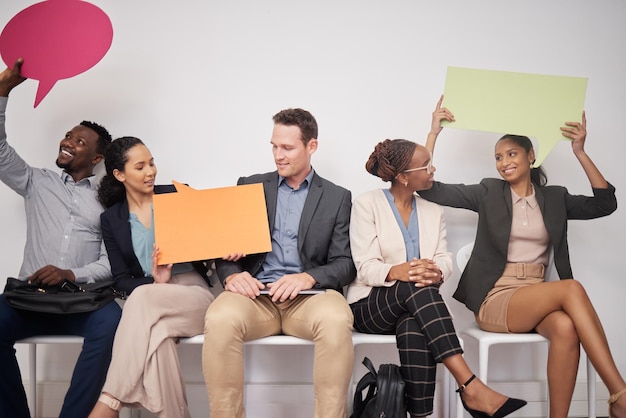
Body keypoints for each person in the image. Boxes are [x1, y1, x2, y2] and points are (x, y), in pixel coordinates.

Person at [420, 97, 626, 418]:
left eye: (512, 154)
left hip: (533, 297)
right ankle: (620, 395)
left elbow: (605, 203)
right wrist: (434, 133)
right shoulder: (488, 192)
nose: (504, 162)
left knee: (565, 327)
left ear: (531, 156)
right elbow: (429, 188)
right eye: (499, 157)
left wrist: (580, 152)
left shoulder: (555, 198)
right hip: (496, 297)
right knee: (570, 289)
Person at [348, 138, 527, 418]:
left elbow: (443, 257)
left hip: (417, 309)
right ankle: (470, 385)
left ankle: (421, 415)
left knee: (413, 327)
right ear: (404, 177)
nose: (433, 169)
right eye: (426, 165)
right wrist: (400, 270)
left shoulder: (433, 210)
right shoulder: (366, 204)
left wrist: (437, 270)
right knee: (412, 285)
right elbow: (366, 267)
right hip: (371, 307)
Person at [204, 108, 356, 418]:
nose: (278, 155)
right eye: (274, 146)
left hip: (309, 300)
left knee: (337, 320)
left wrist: (308, 278)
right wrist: (232, 275)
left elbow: (345, 263)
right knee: (219, 318)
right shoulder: (250, 185)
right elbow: (225, 249)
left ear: (311, 146)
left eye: (287, 147)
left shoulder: (337, 197)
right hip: (256, 298)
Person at [0, 59, 122, 418]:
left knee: (113, 323)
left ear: (97, 157)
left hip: (82, 301)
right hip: (29, 298)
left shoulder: (109, 196)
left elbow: (112, 262)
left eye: (79, 141)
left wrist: (71, 274)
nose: (68, 142)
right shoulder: (35, 181)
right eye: (68, 136)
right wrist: (2, 92)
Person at [88, 136, 215, 418]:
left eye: (152, 163)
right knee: (157, 336)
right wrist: (156, 282)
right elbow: (120, 280)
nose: (150, 172)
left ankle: (109, 401)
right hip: (152, 301)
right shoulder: (112, 219)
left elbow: (216, 234)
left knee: (142, 298)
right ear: (119, 175)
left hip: (193, 296)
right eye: (140, 166)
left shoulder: (176, 195)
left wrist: (228, 246)